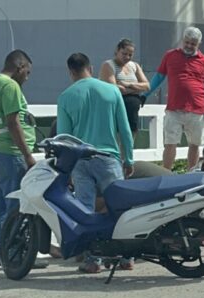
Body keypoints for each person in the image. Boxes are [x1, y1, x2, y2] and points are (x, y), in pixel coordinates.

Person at [57, 52, 135, 273]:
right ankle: (126, 256)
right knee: (120, 208)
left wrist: (66, 169)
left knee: (85, 209)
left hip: (81, 161)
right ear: (90, 67)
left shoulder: (66, 96)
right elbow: (125, 129)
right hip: (108, 158)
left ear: (71, 71)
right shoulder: (111, 91)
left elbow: (64, 138)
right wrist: (128, 158)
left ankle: (93, 259)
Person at [0, 49, 47, 268]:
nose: (27, 77)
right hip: (10, 153)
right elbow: (13, 122)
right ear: (20, 67)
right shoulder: (10, 86)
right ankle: (16, 256)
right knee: (16, 205)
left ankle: (3, 254)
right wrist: (28, 156)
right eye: (27, 72)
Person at [142, 27, 204, 171]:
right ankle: (166, 173)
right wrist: (145, 94)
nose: (189, 46)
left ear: (199, 44)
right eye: (187, 42)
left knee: (194, 144)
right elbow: (159, 77)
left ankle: (191, 173)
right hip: (174, 108)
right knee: (170, 143)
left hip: (196, 108)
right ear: (183, 40)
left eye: (193, 44)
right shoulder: (170, 55)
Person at [99, 38, 150, 138]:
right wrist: (137, 89)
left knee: (130, 139)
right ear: (117, 51)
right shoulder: (108, 65)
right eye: (124, 53)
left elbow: (147, 86)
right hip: (115, 111)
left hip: (132, 113)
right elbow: (115, 90)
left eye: (130, 55)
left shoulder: (134, 66)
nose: (127, 57)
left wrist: (128, 85)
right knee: (117, 139)